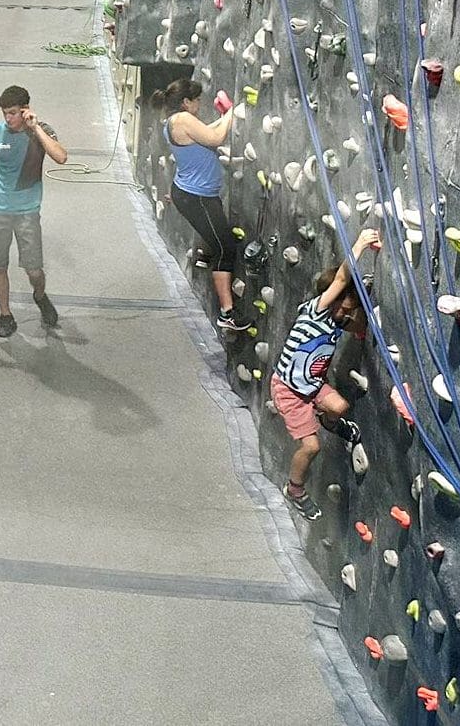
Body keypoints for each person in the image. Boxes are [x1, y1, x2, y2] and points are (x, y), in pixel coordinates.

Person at [273, 229, 378, 521]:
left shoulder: (335, 321)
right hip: (289, 390)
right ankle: (295, 490)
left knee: (340, 408)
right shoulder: (316, 311)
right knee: (311, 446)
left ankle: (327, 421)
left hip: (312, 386)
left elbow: (355, 318)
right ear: (329, 299)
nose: (346, 313)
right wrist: (360, 245)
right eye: (344, 307)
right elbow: (343, 278)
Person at [0, 85, 68, 336]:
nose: (8, 119)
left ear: (25, 110)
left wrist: (35, 129)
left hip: (27, 211)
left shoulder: (42, 132)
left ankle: (40, 295)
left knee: (33, 269)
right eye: (5, 113)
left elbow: (61, 157)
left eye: (13, 113)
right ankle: (5, 315)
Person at [156, 78, 251, 332]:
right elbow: (216, 138)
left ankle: (205, 253)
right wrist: (232, 112)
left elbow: (206, 133)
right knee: (226, 248)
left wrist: (224, 117)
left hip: (194, 194)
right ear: (186, 102)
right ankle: (227, 313)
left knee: (220, 242)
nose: (199, 103)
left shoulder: (175, 122)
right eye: (196, 99)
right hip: (196, 196)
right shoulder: (183, 120)